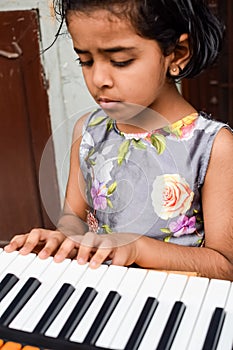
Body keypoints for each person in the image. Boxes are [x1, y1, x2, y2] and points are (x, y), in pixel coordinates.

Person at [5, 0, 233, 281]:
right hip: (105, 294)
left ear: (176, 53)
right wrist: (63, 242)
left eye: (120, 61)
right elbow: (72, 219)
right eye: (85, 60)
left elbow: (224, 266)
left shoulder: (213, 146)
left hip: (175, 306)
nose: (98, 78)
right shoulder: (88, 131)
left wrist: (138, 249)